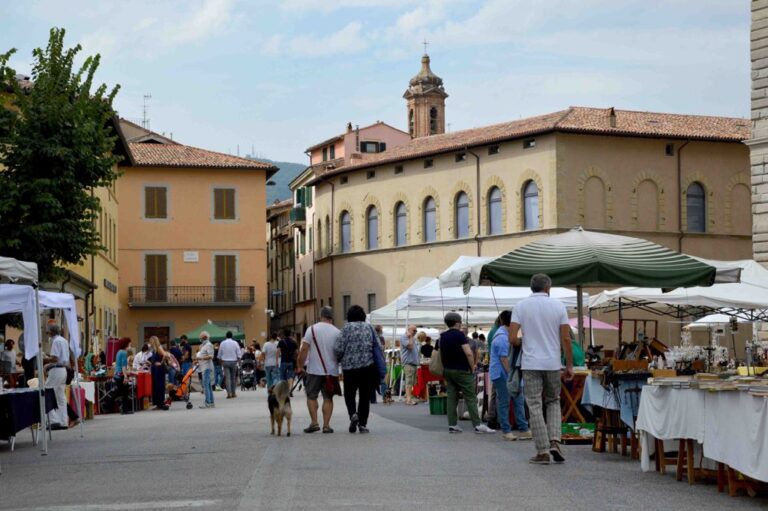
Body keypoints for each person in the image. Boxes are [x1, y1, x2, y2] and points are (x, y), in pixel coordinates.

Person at [509, 273, 573, 465]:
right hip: (553, 363)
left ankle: (543, 450)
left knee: (534, 405)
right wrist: (569, 364)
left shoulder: (520, 306)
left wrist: (523, 340)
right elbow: (566, 338)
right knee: (553, 401)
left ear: (531, 288)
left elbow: (512, 338)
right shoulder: (559, 306)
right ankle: (555, 441)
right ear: (548, 288)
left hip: (530, 363)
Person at [438, 312, 494, 434]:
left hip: (448, 369)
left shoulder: (442, 336)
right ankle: (478, 424)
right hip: (462, 370)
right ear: (457, 323)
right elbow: (468, 352)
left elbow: (441, 354)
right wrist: (472, 366)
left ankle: (452, 424)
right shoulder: (459, 335)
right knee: (470, 397)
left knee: (452, 397)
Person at [334, 305, 378, 434]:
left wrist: (340, 358)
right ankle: (363, 424)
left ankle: (353, 414)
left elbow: (338, 348)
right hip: (367, 367)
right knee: (365, 396)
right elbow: (377, 346)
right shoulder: (369, 327)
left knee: (349, 393)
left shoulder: (346, 328)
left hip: (349, 368)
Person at [297, 306, 340, 434]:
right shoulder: (337, 332)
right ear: (331, 317)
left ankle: (314, 422)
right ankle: (326, 425)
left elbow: (304, 349)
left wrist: (300, 365)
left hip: (314, 369)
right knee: (328, 398)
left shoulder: (312, 329)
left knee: (311, 396)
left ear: (320, 316)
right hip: (331, 371)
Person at [489, 311, 517, 441]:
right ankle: (506, 428)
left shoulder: (499, 333)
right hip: (501, 373)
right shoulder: (502, 336)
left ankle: (508, 426)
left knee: (502, 400)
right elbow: (504, 358)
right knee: (504, 401)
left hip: (499, 372)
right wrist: (510, 374)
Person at [42, 325, 71, 430]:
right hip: (63, 369)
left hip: (56, 370)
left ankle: (54, 420)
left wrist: (45, 359)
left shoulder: (55, 341)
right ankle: (63, 421)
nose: (47, 333)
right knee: (60, 396)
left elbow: (55, 358)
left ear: (51, 332)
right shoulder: (63, 340)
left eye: (48, 331)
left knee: (46, 393)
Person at [399, 325, 419, 405]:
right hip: (408, 363)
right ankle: (408, 400)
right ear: (408, 330)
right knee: (409, 382)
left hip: (413, 363)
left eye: (416, 331)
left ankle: (408, 396)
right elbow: (410, 347)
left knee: (412, 382)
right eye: (414, 330)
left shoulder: (412, 338)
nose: (415, 332)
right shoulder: (404, 337)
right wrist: (410, 336)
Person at [113, 337, 133, 414]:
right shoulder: (124, 353)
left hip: (117, 374)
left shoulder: (119, 352)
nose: (130, 345)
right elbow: (123, 366)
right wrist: (125, 377)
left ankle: (123, 409)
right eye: (129, 344)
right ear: (126, 344)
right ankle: (125, 409)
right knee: (125, 392)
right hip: (121, 375)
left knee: (122, 392)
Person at [219, 331, 241, 399]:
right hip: (233, 361)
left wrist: (220, 361)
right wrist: (238, 361)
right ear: (232, 336)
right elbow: (238, 353)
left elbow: (220, 353)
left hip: (225, 361)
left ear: (226, 336)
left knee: (227, 378)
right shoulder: (235, 343)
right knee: (233, 378)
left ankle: (229, 393)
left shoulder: (222, 343)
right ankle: (233, 392)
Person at [148, 336, 169, 410]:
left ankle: (160, 403)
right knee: (156, 386)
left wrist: (161, 363)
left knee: (159, 386)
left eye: (150, 341)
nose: (150, 343)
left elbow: (165, 355)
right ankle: (158, 404)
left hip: (159, 369)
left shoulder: (159, 348)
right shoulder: (154, 349)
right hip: (155, 369)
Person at [196, 332, 215, 408]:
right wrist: (198, 360)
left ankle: (208, 402)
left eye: (201, 338)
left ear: (204, 337)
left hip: (207, 367)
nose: (200, 339)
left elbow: (211, 356)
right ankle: (211, 402)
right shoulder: (204, 345)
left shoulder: (208, 345)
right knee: (208, 385)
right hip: (204, 367)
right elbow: (203, 355)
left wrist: (201, 358)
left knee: (206, 385)